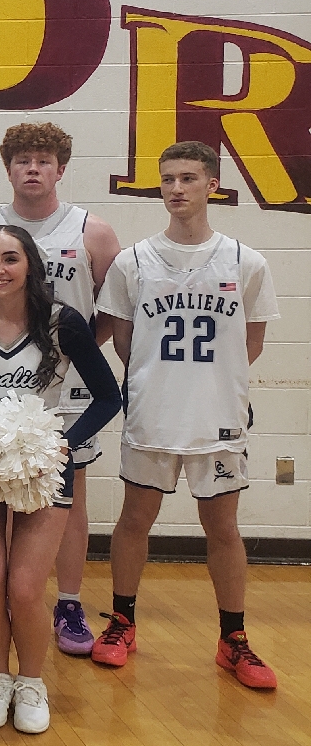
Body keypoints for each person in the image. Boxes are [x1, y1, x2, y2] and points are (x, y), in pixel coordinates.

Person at [91, 142, 279, 690]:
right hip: (152, 414)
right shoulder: (133, 261)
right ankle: (122, 622)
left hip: (218, 419)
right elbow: (124, 342)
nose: (176, 188)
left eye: (188, 178)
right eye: (168, 178)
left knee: (223, 528)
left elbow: (251, 344)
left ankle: (233, 639)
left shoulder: (246, 262)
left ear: (212, 185)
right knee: (135, 519)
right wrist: (161, 382)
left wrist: (210, 384)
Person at [0, 122, 120, 656]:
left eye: (43, 160)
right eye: (23, 160)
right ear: (7, 169)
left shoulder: (93, 230)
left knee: (68, 497)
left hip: (64, 383)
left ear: (60, 169)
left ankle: (67, 601)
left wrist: (68, 351)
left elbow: (111, 306)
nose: (33, 169)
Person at [0, 226, 120, 732]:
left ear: (30, 266)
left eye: (10, 258)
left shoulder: (62, 322)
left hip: (42, 471)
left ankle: (31, 682)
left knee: (25, 589)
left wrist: (66, 443)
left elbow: (109, 397)